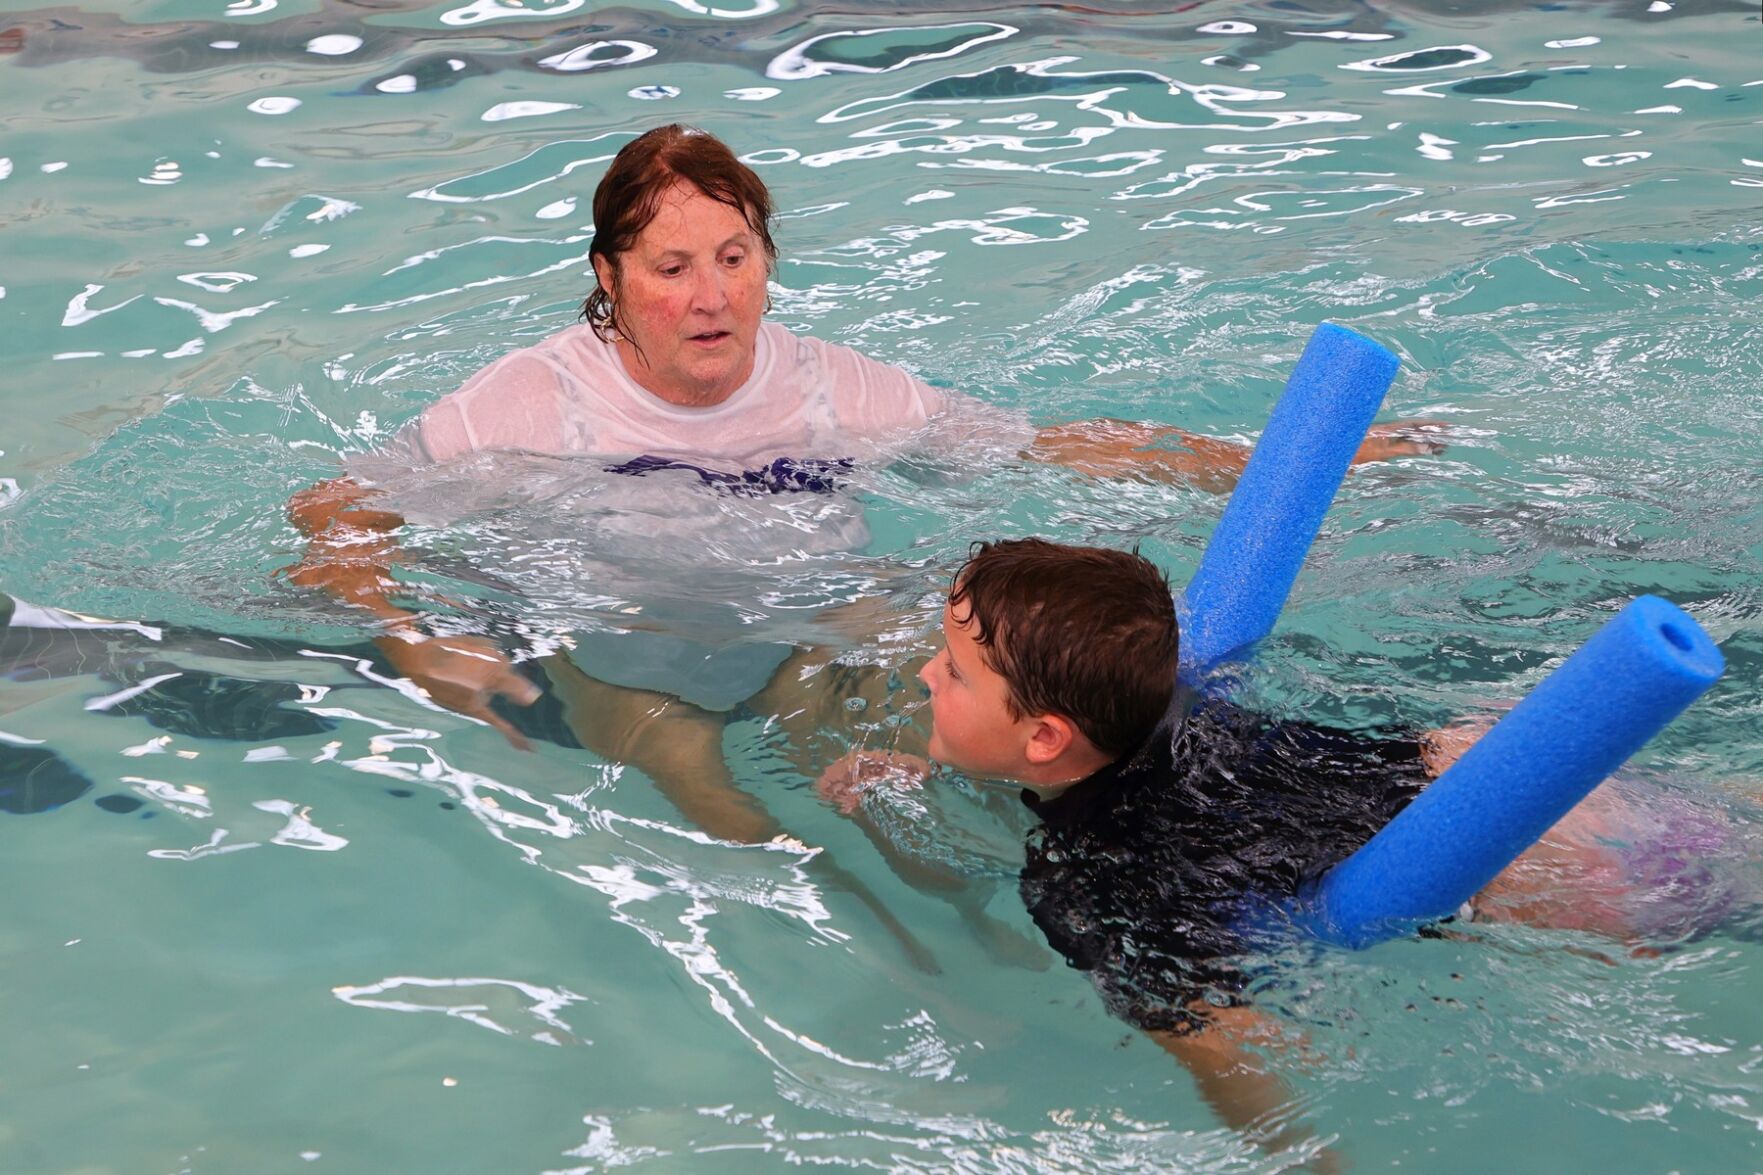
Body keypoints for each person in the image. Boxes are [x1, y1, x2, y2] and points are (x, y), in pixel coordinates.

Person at [285, 124, 1439, 843]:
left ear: (768, 263)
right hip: (628, 652)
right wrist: (404, 634)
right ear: (609, 275)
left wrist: (1276, 464)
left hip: (813, 636)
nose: (710, 297)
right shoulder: (529, 403)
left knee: (958, 823)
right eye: (671, 267)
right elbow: (332, 510)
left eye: (735, 260)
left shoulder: (830, 389)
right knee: (747, 840)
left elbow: (1046, 443)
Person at [814, 538, 1752, 1163]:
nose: (926, 674)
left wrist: (1309, 1157)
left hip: (1529, 879)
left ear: (1048, 738)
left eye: (953, 672)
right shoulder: (1165, 695)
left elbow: (1222, 1043)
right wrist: (931, 765)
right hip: (1489, 765)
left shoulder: (1087, 879)